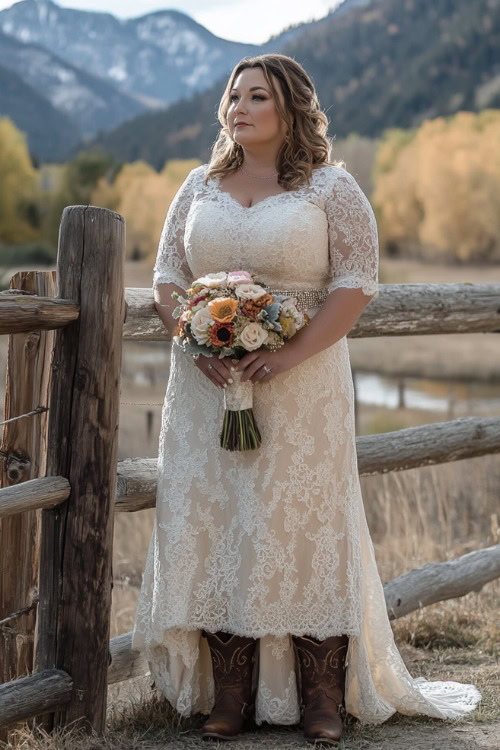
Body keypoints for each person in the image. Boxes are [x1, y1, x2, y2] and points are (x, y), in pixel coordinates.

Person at [131, 53, 481, 744]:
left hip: (304, 382)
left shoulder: (332, 188)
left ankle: (323, 695)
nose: (240, 107)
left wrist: (287, 353)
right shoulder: (198, 185)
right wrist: (193, 338)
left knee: (305, 520)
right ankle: (230, 695)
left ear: (290, 107)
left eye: (257, 96)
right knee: (218, 520)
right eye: (234, 96)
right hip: (207, 388)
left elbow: (355, 283)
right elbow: (168, 277)